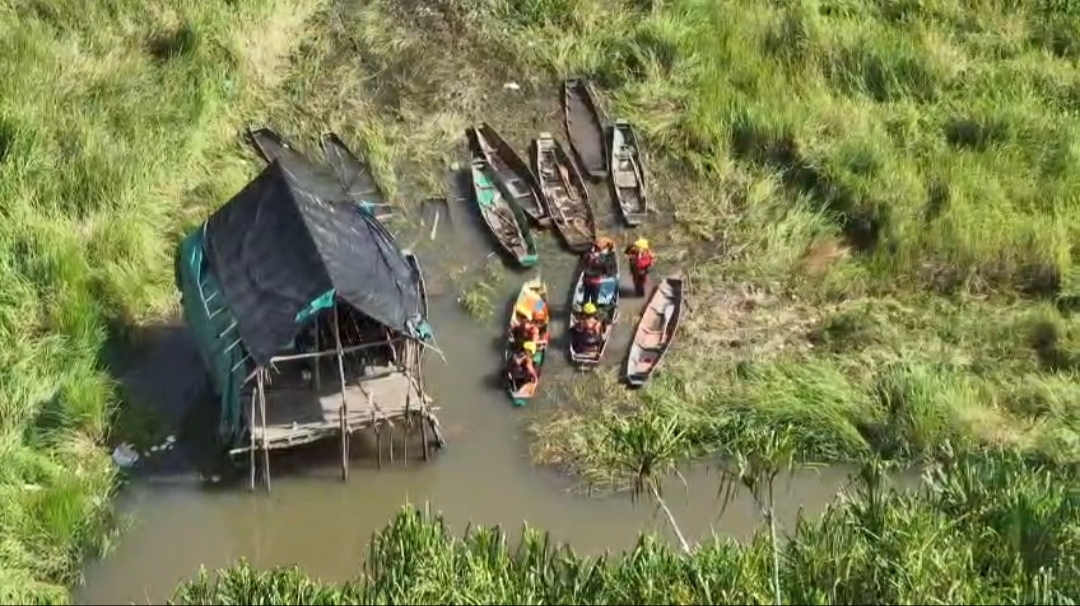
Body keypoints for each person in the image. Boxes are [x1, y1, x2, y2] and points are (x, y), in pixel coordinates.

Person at [581, 237, 615, 306]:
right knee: (590, 299)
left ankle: (587, 309)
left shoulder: (593, 256)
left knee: (588, 299)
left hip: (591, 280)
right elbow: (606, 270)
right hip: (592, 281)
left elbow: (605, 268)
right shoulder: (597, 256)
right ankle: (589, 309)